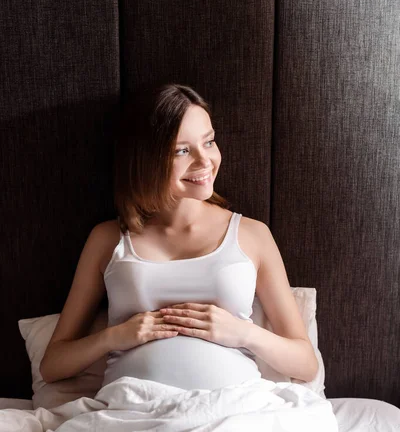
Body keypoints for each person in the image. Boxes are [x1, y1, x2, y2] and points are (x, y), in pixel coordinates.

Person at [40, 83, 318, 390]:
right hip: (133, 412)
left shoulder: (253, 235)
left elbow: (305, 364)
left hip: (233, 411)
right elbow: (53, 365)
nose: (204, 161)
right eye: (182, 150)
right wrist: (114, 336)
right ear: (147, 160)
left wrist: (242, 332)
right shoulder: (108, 239)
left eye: (209, 142)